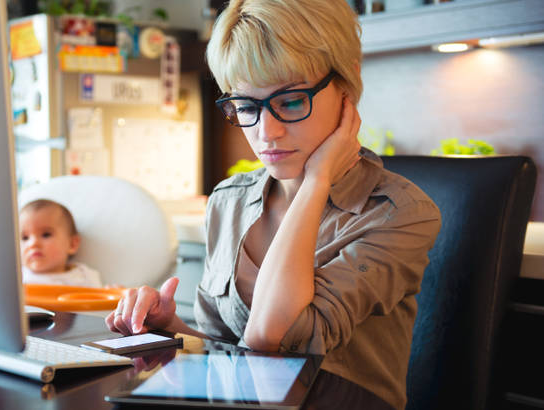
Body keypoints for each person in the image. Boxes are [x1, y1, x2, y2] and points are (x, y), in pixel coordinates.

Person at [105, 0, 441, 408]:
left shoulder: (398, 213)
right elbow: (230, 358)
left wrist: (315, 182)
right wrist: (168, 326)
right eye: (247, 107)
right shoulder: (229, 200)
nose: (267, 132)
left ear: (348, 85)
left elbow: (270, 337)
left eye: (292, 101)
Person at [19, 199, 102, 287]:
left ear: (72, 244)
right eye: (25, 238)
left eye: (46, 235)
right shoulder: (18, 277)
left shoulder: (84, 276)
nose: (33, 244)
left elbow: (102, 294)